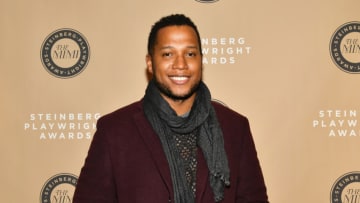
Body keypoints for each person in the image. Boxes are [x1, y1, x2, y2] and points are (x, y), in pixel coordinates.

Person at [73, 14, 268, 203]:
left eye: (190, 54)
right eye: (168, 54)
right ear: (150, 63)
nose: (180, 64)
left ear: (201, 60)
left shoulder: (235, 127)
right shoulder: (113, 131)